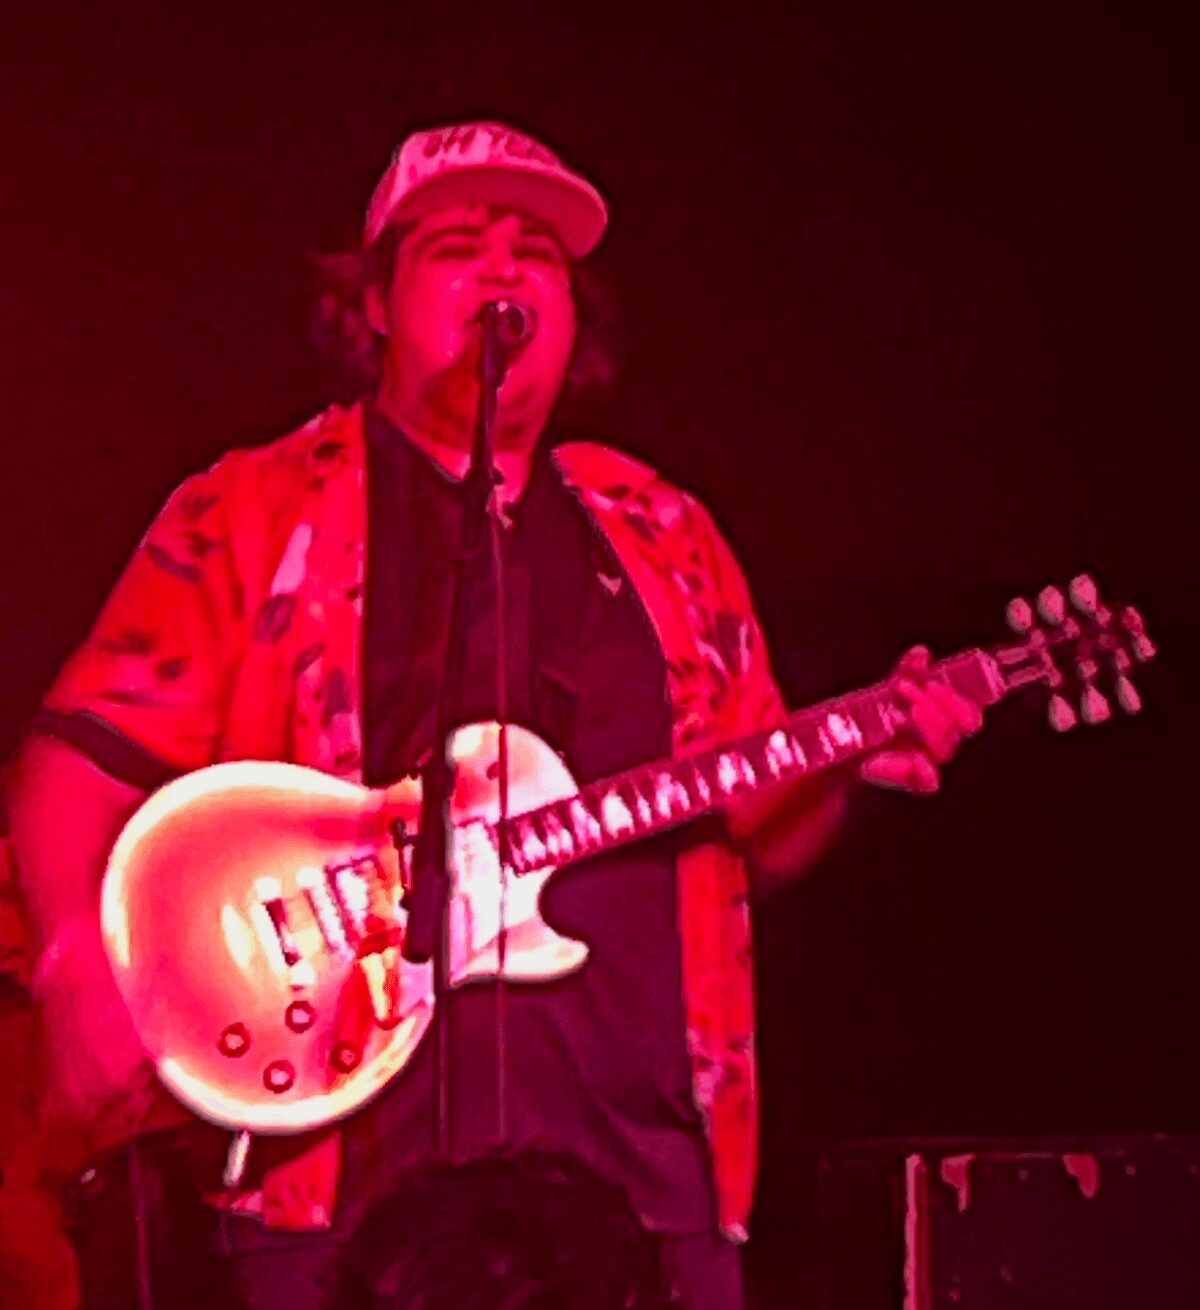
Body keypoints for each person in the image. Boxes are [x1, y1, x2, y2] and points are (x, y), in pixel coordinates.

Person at [7, 120, 982, 1309]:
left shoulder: (665, 532)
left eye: (538, 254)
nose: (505, 269)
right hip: (340, 1184)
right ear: (374, 303)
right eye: (458, 247)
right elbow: (80, 754)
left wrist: (850, 761)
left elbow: (756, 835)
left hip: (644, 1178)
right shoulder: (253, 511)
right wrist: (73, 966)